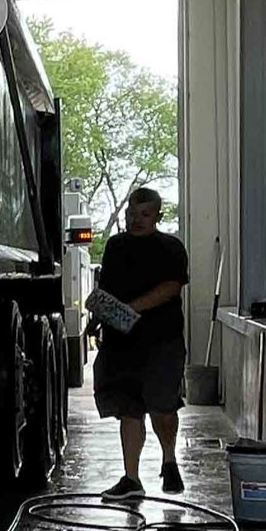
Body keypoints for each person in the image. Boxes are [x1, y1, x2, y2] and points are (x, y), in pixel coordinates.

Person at [91, 185, 189, 501]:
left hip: (163, 341)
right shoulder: (116, 247)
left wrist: (132, 308)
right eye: (132, 214)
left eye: (144, 214)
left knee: (162, 406)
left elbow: (172, 288)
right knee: (128, 410)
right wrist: (101, 315)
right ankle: (131, 478)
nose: (137, 220)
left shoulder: (171, 248)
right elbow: (105, 287)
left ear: (157, 215)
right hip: (122, 344)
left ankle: (169, 459)